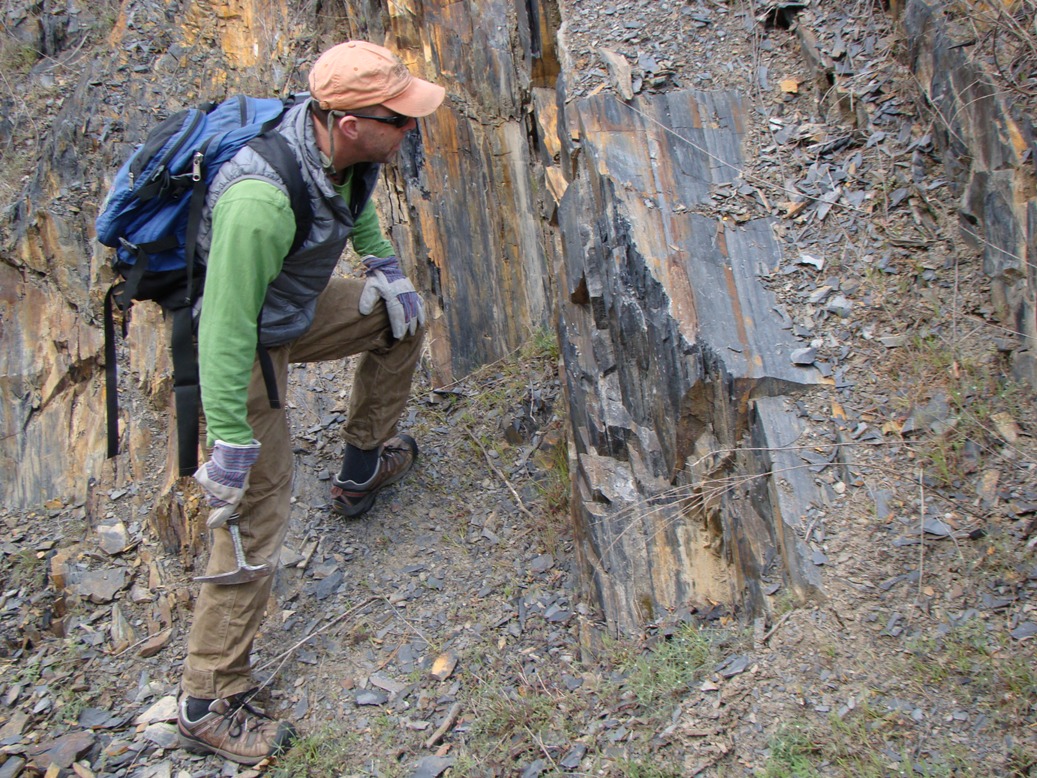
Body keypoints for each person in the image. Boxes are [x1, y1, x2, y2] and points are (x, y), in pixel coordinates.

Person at [174, 40, 446, 765]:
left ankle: (360, 468)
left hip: (289, 309)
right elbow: (224, 328)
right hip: (247, 347)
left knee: (400, 319)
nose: (411, 128)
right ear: (352, 122)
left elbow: (349, 203)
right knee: (255, 515)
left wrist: (383, 265)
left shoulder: (344, 148)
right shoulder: (259, 202)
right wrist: (230, 439)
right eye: (400, 118)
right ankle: (208, 698)